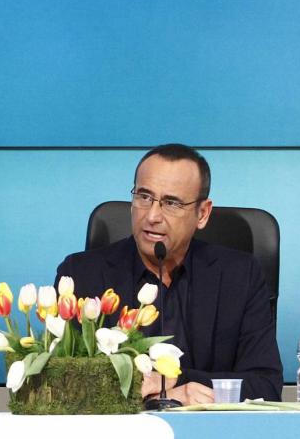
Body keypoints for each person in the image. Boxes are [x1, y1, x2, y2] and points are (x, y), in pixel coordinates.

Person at [55, 143, 283, 404]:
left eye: (172, 203)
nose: (152, 216)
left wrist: (178, 382)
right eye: (144, 197)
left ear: (202, 214)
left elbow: (265, 386)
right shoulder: (81, 275)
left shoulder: (239, 276)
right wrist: (146, 395)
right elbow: (62, 383)